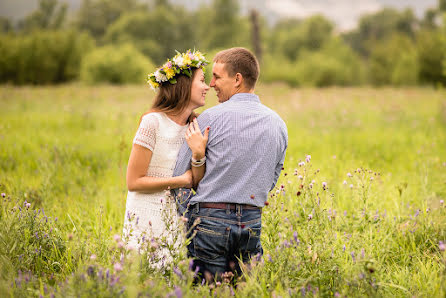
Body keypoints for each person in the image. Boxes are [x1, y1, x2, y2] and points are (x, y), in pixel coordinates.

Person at [172, 47, 288, 281]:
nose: (212, 83)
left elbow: (179, 178)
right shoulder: (278, 123)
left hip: (208, 220)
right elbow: (272, 179)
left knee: (207, 290)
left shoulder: (209, 118)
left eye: (217, 77)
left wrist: (191, 217)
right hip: (252, 222)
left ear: (237, 79)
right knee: (246, 290)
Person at [123, 50, 210, 260]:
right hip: (146, 212)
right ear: (184, 85)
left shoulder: (196, 125)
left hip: (178, 216)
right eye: (202, 81)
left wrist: (199, 153)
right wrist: (180, 180)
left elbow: (196, 182)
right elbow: (133, 181)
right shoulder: (153, 122)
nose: (208, 87)